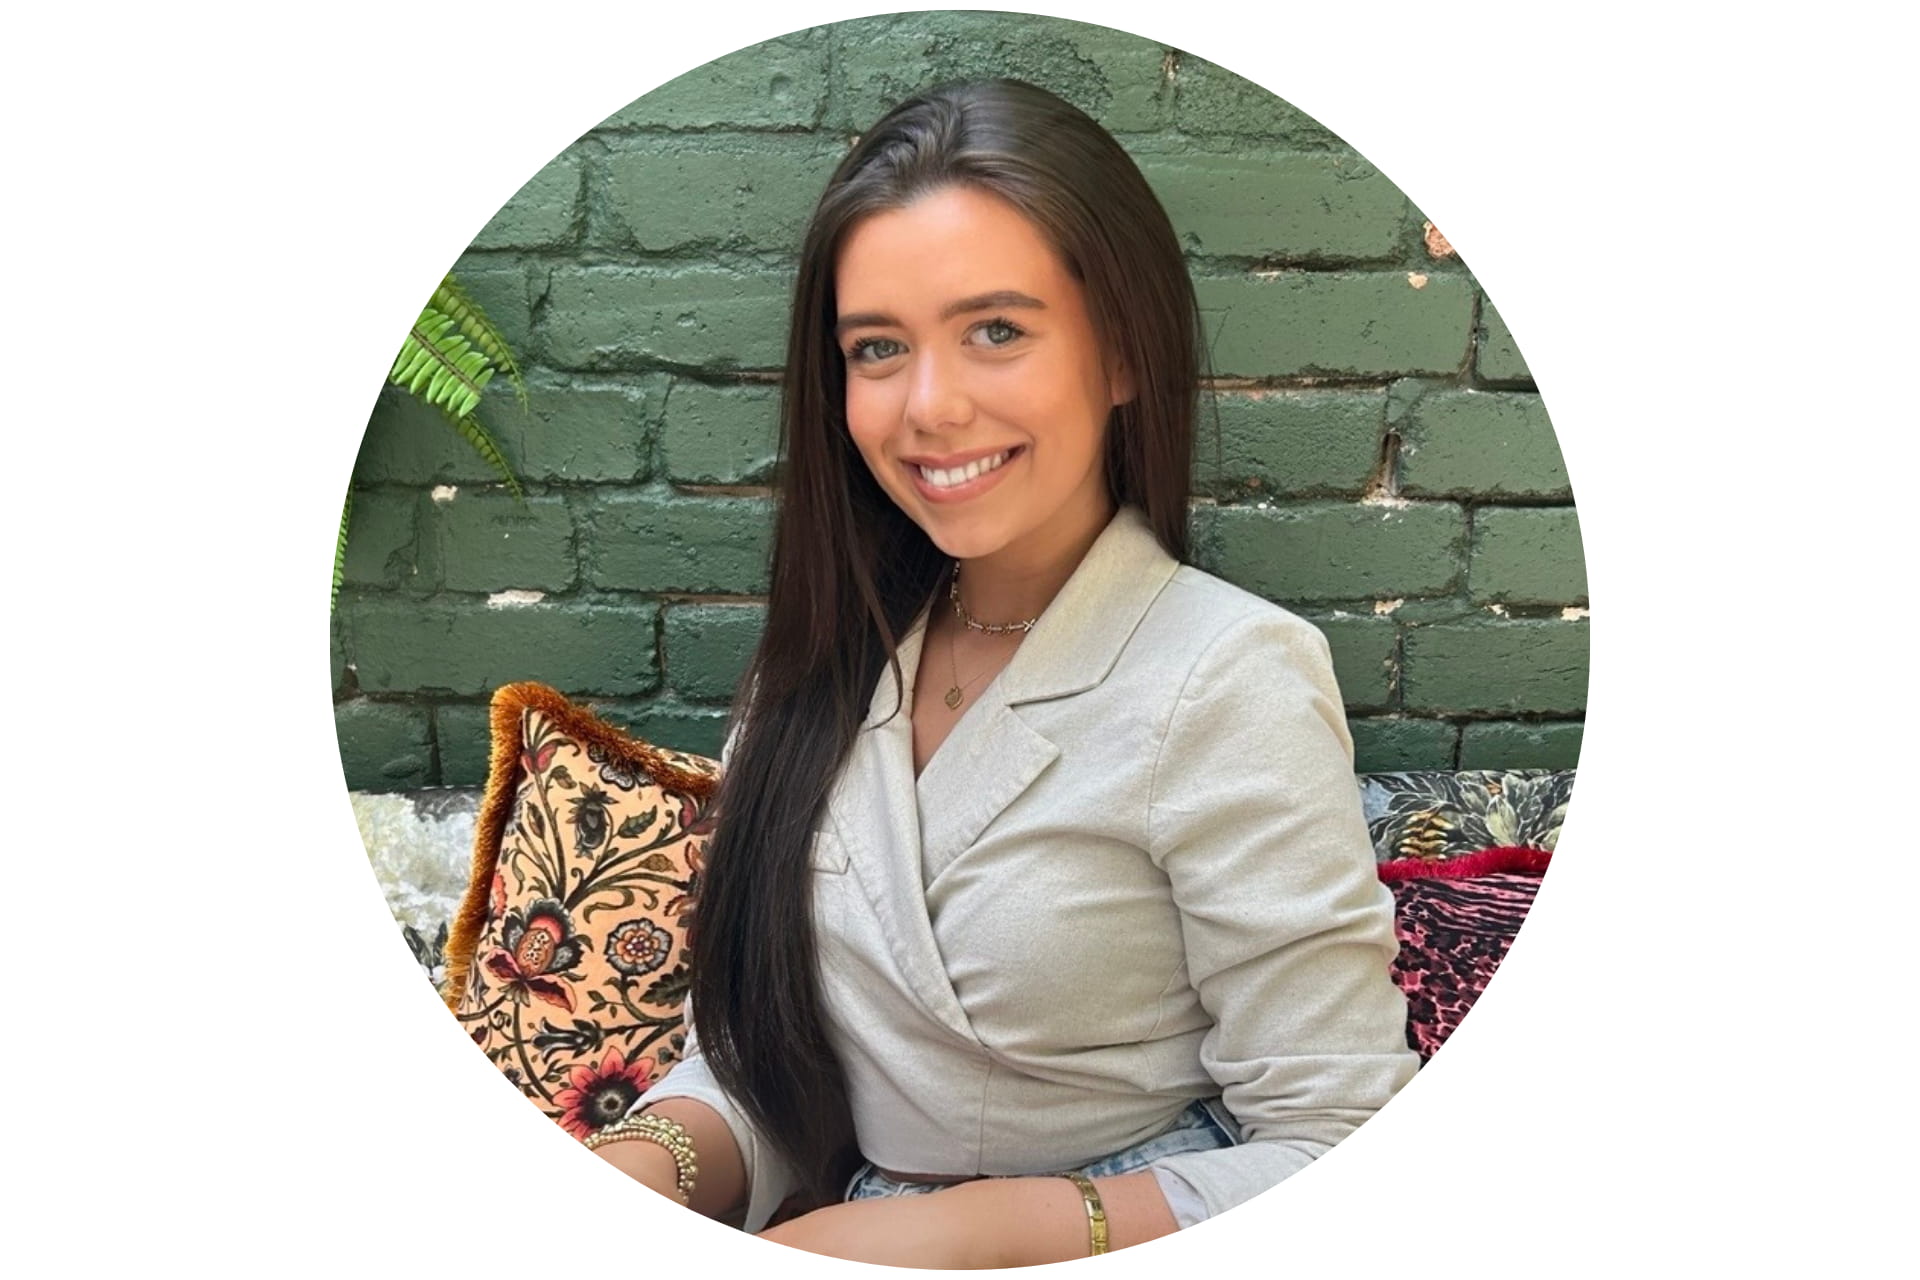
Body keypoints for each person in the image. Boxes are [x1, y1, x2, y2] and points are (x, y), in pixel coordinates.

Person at [588, 78, 1418, 1266]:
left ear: (1122, 348)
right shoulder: (813, 672)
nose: (930, 407)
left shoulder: (1230, 674)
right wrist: (646, 1163)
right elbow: (760, 1059)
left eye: (996, 330)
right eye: (878, 348)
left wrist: (950, 1232)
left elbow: (1343, 1137)